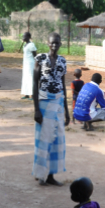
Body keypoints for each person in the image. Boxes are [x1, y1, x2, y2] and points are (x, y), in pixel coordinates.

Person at [32, 32, 69, 187]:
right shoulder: (40, 59)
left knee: (57, 140)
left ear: (60, 44)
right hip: (44, 103)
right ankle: (41, 175)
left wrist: (67, 111)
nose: (55, 45)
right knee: (43, 141)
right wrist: (36, 110)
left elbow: (63, 85)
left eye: (57, 43)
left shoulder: (62, 61)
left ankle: (51, 176)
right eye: (52, 42)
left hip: (58, 103)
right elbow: (35, 83)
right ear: (47, 43)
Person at [21, 32, 37, 100]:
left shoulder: (31, 45)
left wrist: (36, 65)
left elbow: (35, 56)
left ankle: (32, 95)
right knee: (26, 78)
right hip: (26, 64)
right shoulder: (25, 44)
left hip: (30, 64)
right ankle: (26, 94)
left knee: (31, 79)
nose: (23, 38)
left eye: (24, 36)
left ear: (28, 37)